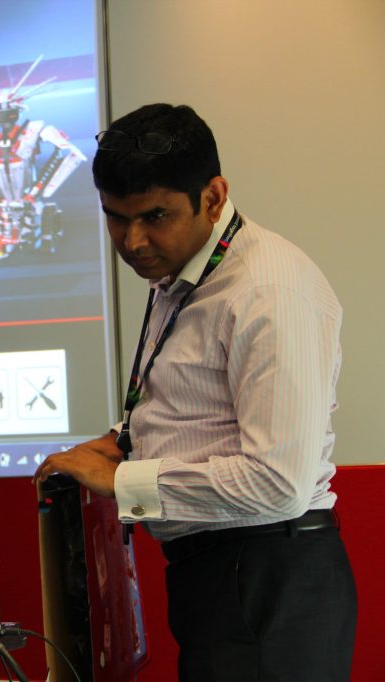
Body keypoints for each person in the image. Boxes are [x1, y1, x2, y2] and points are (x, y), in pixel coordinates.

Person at [35, 104, 355, 681]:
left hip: (267, 576)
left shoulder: (267, 291)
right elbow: (196, 403)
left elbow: (277, 483)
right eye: (115, 218)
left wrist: (119, 480)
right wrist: (121, 441)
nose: (132, 241)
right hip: (225, 575)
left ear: (213, 196)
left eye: (154, 216)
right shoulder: (186, 269)